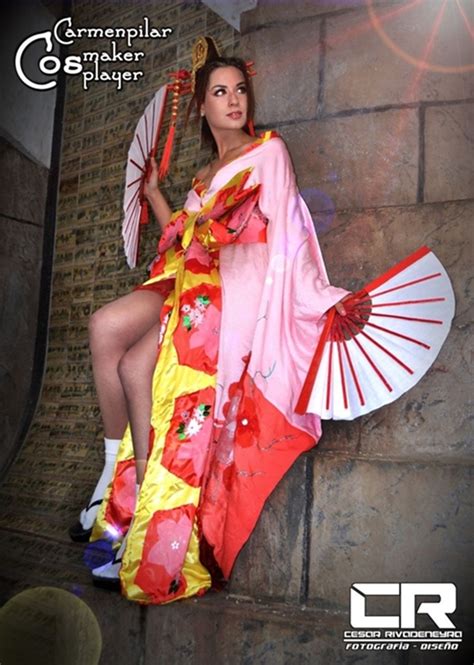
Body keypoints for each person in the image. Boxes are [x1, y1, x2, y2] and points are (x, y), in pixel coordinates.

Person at [69, 36, 351, 604]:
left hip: (234, 285)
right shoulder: (205, 172)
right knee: (105, 327)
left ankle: (142, 515)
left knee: (134, 368)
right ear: (202, 106)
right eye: (219, 93)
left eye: (239, 90)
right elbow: (184, 236)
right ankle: (113, 481)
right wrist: (154, 196)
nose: (233, 101)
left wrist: (317, 297)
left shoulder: (269, 151)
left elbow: (290, 232)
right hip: (190, 278)